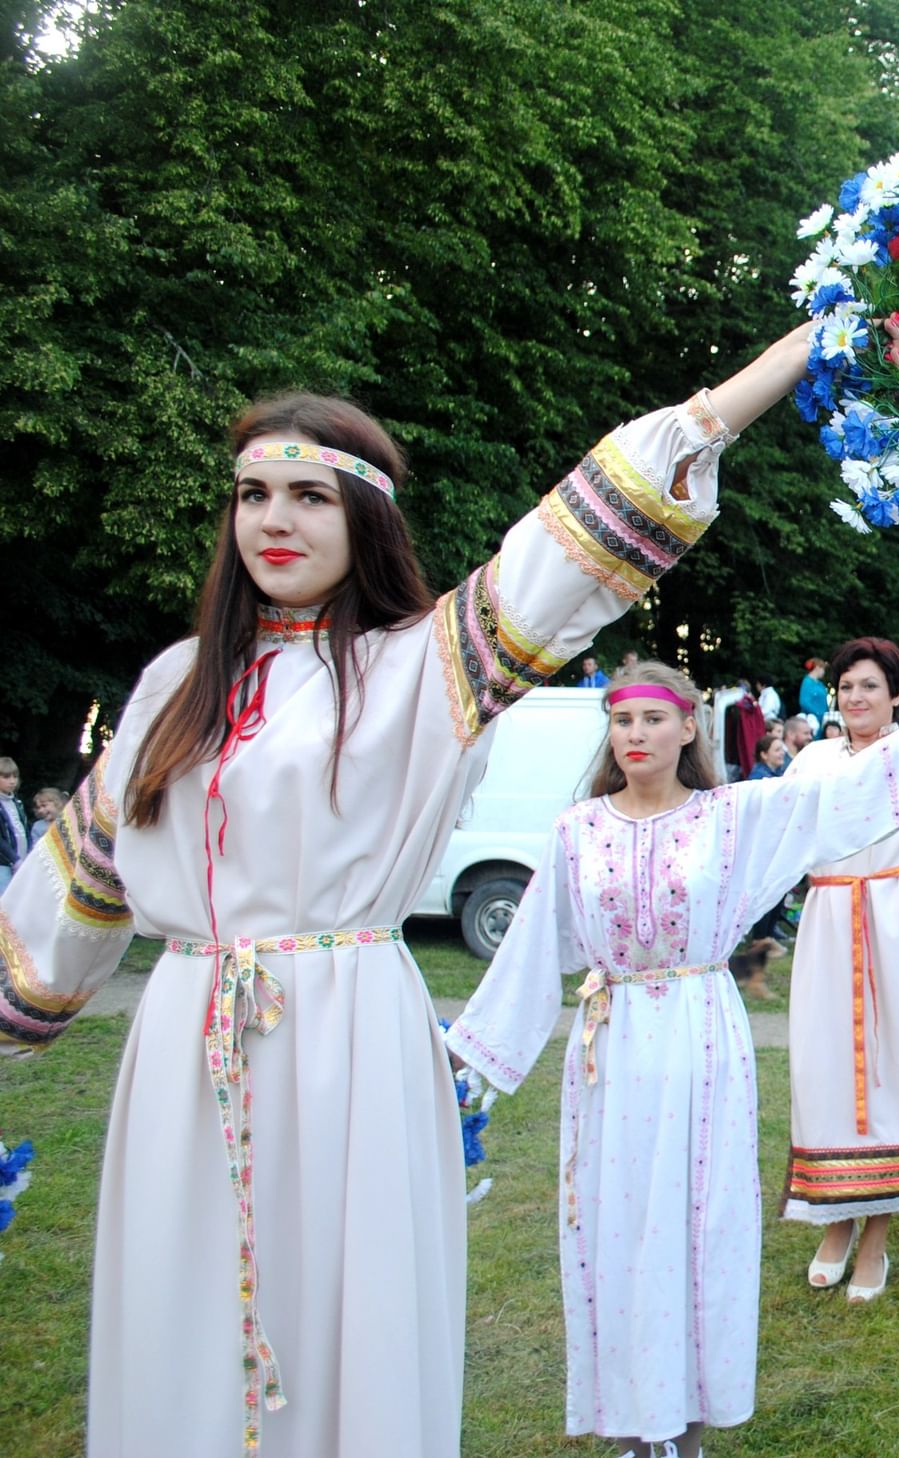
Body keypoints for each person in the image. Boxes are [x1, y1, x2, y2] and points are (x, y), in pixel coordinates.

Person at [0, 320, 820, 1457]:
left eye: (308, 496)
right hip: (187, 1045)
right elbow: (78, 888)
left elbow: (568, 550)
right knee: (180, 1311)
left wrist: (742, 391)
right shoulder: (173, 686)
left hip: (346, 1035)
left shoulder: (422, 668)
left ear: (365, 518)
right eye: (252, 494)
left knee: (351, 1317)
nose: (273, 520)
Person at [447, 664, 899, 1458]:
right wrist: (467, 1071)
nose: (636, 734)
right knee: (616, 1225)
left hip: (699, 1033)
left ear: (688, 729)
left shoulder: (731, 816)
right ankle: (630, 1419)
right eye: (623, 720)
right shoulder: (577, 830)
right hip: (610, 1047)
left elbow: (849, 791)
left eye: (652, 719)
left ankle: (689, 1422)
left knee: (699, 1223)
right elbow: (530, 954)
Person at [780, 637, 899, 1303]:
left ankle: (876, 1234)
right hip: (830, 922)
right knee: (824, 1069)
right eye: (847, 686)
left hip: (895, 923)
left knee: (894, 1071)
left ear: (896, 696)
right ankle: (833, 1222)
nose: (856, 697)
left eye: (870, 686)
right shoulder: (815, 759)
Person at [0, 757, 26, 892]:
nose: (12, 781)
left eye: (15, 776)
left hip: (20, 860)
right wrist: (14, 859)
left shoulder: (17, 803)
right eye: (6, 777)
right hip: (3, 864)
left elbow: (23, 831)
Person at [799, 657, 831, 725]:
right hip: (812, 720)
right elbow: (804, 702)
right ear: (817, 668)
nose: (824, 672)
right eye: (823, 669)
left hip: (823, 719)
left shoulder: (820, 684)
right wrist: (817, 713)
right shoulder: (807, 682)